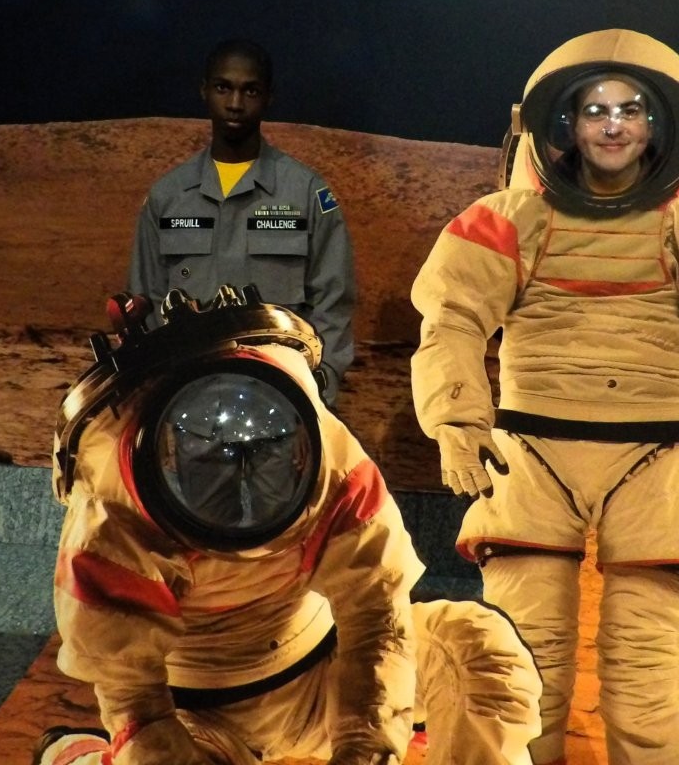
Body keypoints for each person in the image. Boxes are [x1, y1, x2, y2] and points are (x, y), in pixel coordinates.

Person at [410, 28, 679, 765]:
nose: (614, 125)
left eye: (631, 109)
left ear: (661, 123)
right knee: (523, 667)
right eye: (596, 110)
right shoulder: (511, 217)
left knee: (646, 677)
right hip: (533, 453)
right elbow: (452, 319)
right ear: (565, 121)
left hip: (661, 458)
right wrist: (455, 421)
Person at [39, 284, 542, 765]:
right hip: (200, 716)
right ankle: (80, 755)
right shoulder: (115, 517)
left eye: (261, 446)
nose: (237, 465)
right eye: (207, 450)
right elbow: (137, 706)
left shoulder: (330, 462)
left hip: (326, 674)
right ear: (157, 449)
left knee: (476, 648)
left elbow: (376, 621)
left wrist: (368, 747)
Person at [128, 37, 354, 407]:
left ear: (269, 97)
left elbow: (334, 300)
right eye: (223, 88)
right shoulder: (167, 197)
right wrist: (160, 390)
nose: (235, 103)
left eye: (250, 91)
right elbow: (147, 301)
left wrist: (318, 384)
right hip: (191, 407)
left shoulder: (306, 194)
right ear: (204, 91)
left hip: (281, 405)